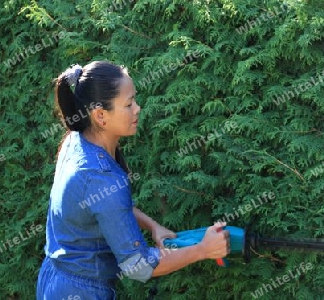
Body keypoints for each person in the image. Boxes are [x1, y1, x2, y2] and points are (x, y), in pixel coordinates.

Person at [36, 61, 230, 299]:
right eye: (128, 104)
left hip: (54, 279)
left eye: (134, 100)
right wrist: (202, 249)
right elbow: (138, 266)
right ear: (100, 116)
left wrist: (152, 226)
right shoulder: (101, 176)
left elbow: (103, 207)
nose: (137, 109)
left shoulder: (75, 141)